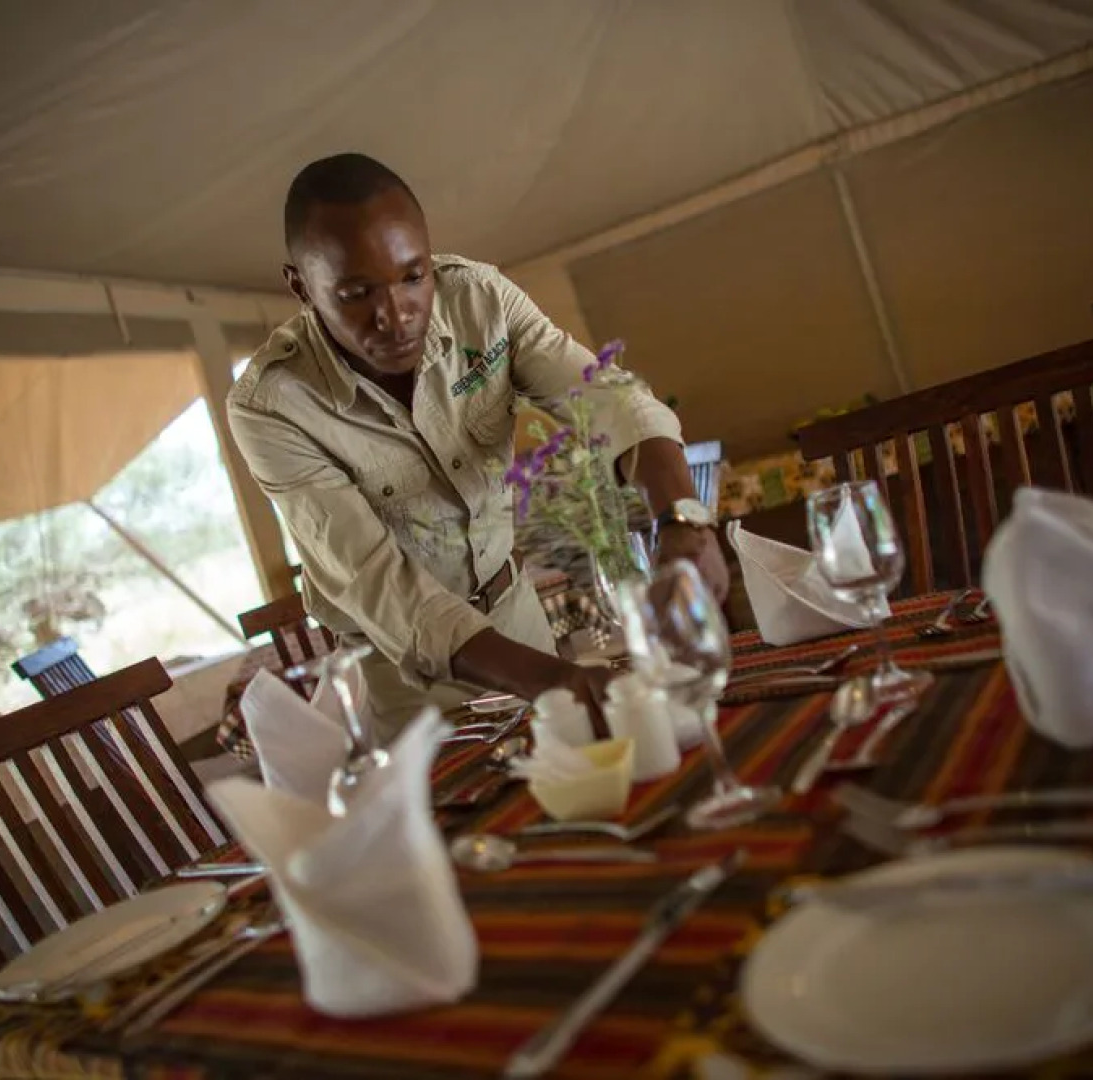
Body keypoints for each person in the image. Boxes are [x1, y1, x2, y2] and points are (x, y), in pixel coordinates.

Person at [227, 152, 729, 735]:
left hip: (516, 617)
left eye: (413, 276)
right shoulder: (271, 405)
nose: (397, 315)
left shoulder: (481, 301)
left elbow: (607, 400)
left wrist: (682, 518)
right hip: (407, 675)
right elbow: (378, 582)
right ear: (300, 287)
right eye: (357, 293)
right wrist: (555, 681)